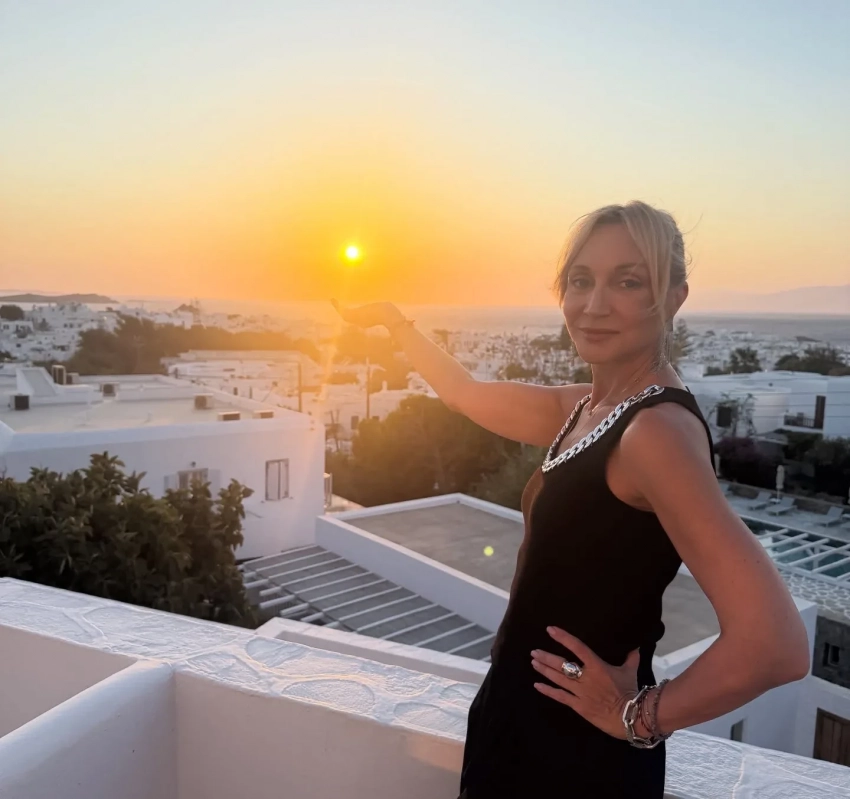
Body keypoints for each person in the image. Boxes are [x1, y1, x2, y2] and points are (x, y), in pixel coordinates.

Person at [331, 201, 809, 798]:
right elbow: (463, 393)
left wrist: (638, 717)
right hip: (520, 726)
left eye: (628, 282)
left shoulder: (654, 433)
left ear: (674, 298)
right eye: (581, 281)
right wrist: (395, 323)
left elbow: (776, 646)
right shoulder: (585, 408)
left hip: (573, 760)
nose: (594, 304)